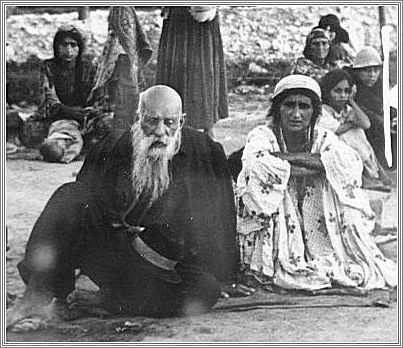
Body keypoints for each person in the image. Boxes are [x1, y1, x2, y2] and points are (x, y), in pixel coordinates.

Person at [7, 85, 251, 331]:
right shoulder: (111, 146)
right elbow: (80, 217)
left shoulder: (205, 151)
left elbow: (221, 220)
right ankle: (36, 296)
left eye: (170, 122)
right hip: (117, 256)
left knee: (205, 290)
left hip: (166, 271)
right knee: (71, 194)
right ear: (138, 118)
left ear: (182, 121)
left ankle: (104, 301)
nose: (160, 131)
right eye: (151, 121)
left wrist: (227, 274)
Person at [235, 75, 396, 292]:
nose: (296, 114)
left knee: (336, 181)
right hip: (280, 209)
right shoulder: (262, 134)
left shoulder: (322, 136)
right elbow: (257, 164)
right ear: (277, 109)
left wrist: (283, 158)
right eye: (289, 105)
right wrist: (319, 164)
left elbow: (346, 161)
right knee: (263, 180)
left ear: (314, 112)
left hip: (316, 212)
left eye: (304, 107)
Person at [34, 25, 112, 163]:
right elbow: (47, 97)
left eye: (73, 45)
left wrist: (90, 111)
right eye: (64, 45)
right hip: (61, 118)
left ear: (79, 48)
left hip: (88, 118)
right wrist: (68, 111)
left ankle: (85, 144)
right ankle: (67, 145)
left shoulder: (89, 67)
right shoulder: (49, 67)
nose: (68, 50)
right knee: (50, 143)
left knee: (109, 123)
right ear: (56, 47)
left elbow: (101, 98)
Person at [156, 6, 229, 138]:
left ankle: (207, 132)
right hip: (179, 19)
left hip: (200, 19)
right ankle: (177, 130)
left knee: (202, 72)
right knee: (180, 71)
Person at [318, 69, 391, 189]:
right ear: (327, 91)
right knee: (348, 134)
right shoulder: (323, 111)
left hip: (351, 143)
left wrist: (351, 101)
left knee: (359, 132)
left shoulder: (347, 108)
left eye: (346, 91)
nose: (342, 96)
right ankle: (363, 177)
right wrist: (352, 124)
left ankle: (377, 171)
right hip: (334, 149)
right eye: (337, 91)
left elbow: (366, 124)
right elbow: (336, 131)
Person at [89, 6, 153, 131]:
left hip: (126, 58)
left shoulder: (124, 9)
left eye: (127, 24)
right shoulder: (120, 9)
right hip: (121, 59)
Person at [349, 46, 397, 170]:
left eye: (376, 71)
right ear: (357, 71)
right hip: (363, 127)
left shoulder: (379, 85)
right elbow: (362, 109)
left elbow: (385, 105)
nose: (372, 75)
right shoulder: (352, 86)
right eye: (367, 71)